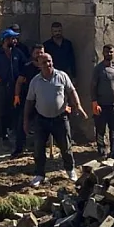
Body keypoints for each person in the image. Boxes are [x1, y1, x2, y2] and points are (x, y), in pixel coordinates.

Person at [23, 50, 86, 187]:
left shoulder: (62, 76)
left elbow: (71, 91)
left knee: (66, 147)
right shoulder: (35, 81)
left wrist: (78, 105)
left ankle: (70, 170)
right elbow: (29, 101)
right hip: (41, 120)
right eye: (44, 62)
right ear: (39, 65)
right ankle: (39, 175)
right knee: (39, 149)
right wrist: (26, 121)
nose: (47, 64)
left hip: (60, 119)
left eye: (49, 61)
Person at [92, 44, 114, 158]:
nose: (109, 54)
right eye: (107, 52)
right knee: (100, 129)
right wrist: (94, 103)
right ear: (103, 53)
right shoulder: (98, 69)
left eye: (111, 52)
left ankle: (113, 150)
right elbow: (93, 86)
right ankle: (101, 150)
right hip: (101, 105)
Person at [10, 46, 44, 157]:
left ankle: (41, 148)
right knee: (22, 124)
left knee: (43, 125)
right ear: (32, 54)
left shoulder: (47, 66)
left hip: (43, 101)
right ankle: (19, 148)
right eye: (37, 53)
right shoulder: (27, 67)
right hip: (28, 100)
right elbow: (19, 82)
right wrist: (16, 96)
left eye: (41, 52)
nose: (39, 55)